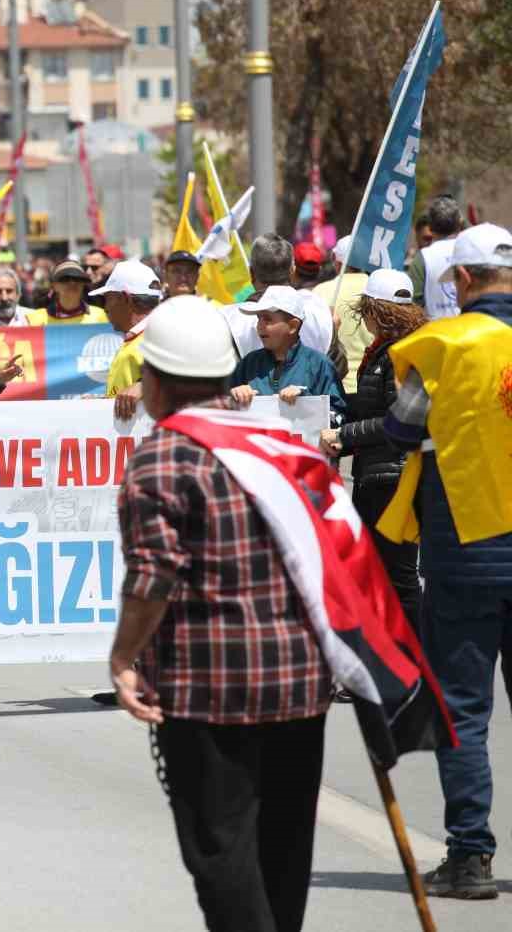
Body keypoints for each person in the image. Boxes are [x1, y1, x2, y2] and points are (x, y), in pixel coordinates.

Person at [110, 295, 332, 932]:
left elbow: (153, 576)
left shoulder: (163, 455)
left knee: (222, 854)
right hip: (300, 682)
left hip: (211, 692)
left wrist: (124, 658)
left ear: (154, 381)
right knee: (284, 853)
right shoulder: (277, 441)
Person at [380, 223, 512, 899]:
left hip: (467, 548)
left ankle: (470, 858)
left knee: (462, 709)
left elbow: (403, 427)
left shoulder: (445, 346)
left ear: (460, 281)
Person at [316, 269, 423, 632]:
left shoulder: (396, 354)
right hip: (382, 474)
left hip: (390, 478)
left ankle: (413, 668)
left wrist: (344, 435)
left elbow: (397, 421)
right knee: (385, 575)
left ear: (375, 310)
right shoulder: (392, 349)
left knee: (398, 578)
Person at [227, 286, 346, 420]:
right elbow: (222, 409)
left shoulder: (319, 365)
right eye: (259, 318)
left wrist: (307, 401)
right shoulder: (249, 363)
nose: (259, 326)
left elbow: (338, 416)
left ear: (293, 326)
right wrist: (235, 396)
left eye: (267, 319)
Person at [224, 235, 334, 362]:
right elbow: (337, 367)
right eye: (261, 318)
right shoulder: (319, 311)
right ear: (292, 271)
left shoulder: (228, 320)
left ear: (251, 273)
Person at [93, 261, 164, 420]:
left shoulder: (163, 335)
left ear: (125, 298)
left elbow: (192, 378)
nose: (105, 308)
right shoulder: (139, 337)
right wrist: (101, 405)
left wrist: (145, 386)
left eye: (108, 299)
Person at [310, 235, 372, 392]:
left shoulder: (320, 292)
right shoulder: (375, 290)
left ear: (335, 260)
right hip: (371, 384)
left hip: (334, 385)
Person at [408, 195, 465, 318]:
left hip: (434, 332)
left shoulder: (423, 258)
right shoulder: (471, 251)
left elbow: (413, 303)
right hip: (471, 330)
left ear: (431, 227)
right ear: (459, 224)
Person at [24, 260, 109, 326]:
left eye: (78, 279)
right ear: (54, 286)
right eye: (65, 279)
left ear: (83, 284)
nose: (72, 283)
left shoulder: (100, 316)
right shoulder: (35, 319)